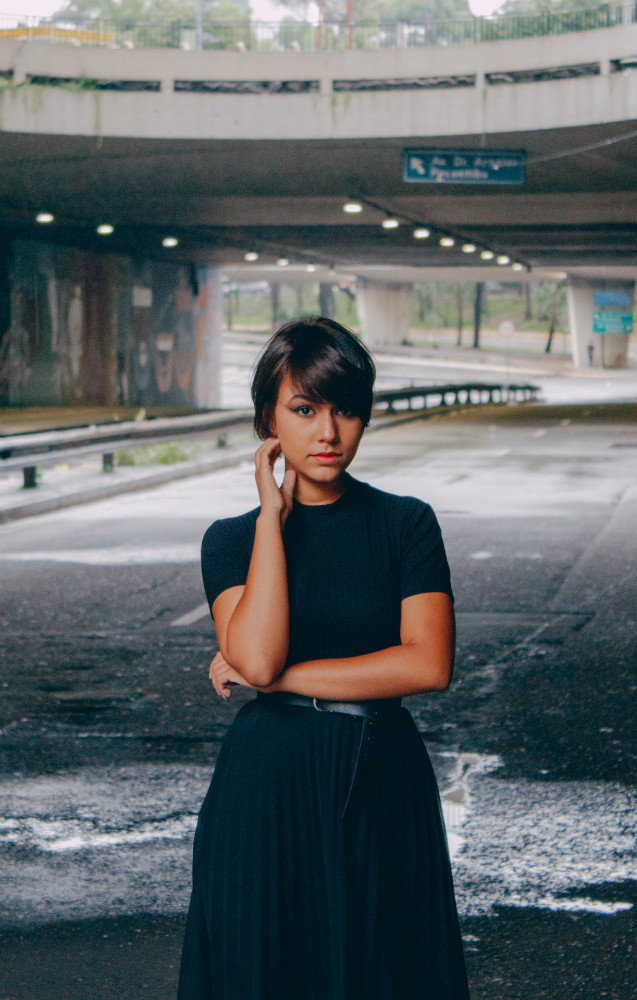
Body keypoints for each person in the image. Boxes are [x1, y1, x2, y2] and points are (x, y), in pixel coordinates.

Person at [178, 316, 470, 1000]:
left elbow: (427, 665)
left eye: (344, 410)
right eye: (304, 410)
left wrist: (275, 679)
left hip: (378, 768)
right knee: (267, 964)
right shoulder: (229, 541)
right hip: (267, 782)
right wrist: (269, 523)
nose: (328, 433)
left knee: (381, 965)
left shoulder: (405, 524)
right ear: (268, 421)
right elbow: (255, 649)